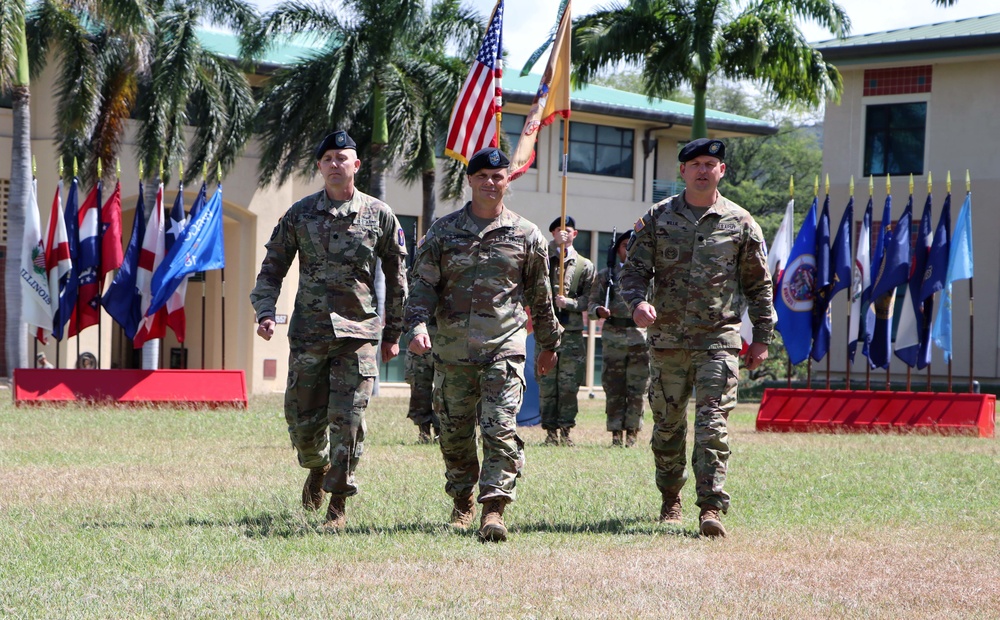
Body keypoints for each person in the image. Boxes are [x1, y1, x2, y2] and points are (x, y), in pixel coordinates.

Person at [250, 129, 408, 532]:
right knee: (303, 424)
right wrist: (265, 310)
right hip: (309, 333)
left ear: (357, 165)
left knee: (348, 419)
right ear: (319, 167)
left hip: (358, 335)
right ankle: (317, 467)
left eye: (344, 157)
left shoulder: (379, 215)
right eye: (329, 159)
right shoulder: (300, 215)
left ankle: (337, 504)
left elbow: (397, 274)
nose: (336, 164)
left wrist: (394, 333)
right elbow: (272, 268)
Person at [405, 147, 562, 543]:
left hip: (505, 346)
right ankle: (462, 500)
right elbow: (423, 286)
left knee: (500, 427)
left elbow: (540, 296)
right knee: (455, 433)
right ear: (471, 180)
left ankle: (493, 508)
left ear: (508, 181)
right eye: (483, 177)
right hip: (453, 350)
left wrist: (548, 343)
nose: (491, 183)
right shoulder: (443, 232)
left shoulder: (526, 235)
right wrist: (418, 325)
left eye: (499, 177)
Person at [619, 138, 773, 538]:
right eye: (696, 164)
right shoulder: (657, 218)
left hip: (718, 340)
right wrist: (636, 303)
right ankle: (671, 498)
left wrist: (762, 337)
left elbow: (759, 285)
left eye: (712, 164)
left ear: (722, 171)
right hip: (667, 341)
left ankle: (710, 508)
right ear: (683, 171)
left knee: (712, 426)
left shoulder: (741, 222)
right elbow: (633, 271)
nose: (704, 170)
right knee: (668, 427)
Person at [539, 216, 596, 447]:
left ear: (575, 234)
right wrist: (554, 246)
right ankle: (550, 433)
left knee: (568, 385)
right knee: (547, 383)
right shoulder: (545, 258)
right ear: (552, 234)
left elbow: (589, 299)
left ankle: (565, 432)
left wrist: (569, 303)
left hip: (571, 333)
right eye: (558, 231)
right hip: (547, 331)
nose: (563, 234)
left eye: (568, 230)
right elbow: (534, 262)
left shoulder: (585, 265)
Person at [589, 231, 649, 447]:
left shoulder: (647, 277)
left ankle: (632, 433)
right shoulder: (607, 275)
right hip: (614, 337)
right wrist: (598, 311)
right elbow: (591, 303)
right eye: (624, 245)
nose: (628, 250)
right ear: (617, 250)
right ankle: (616, 433)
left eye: (632, 246)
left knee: (637, 387)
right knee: (614, 387)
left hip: (639, 338)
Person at [404, 317, 439, 444]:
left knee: (445, 386)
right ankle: (424, 432)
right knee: (419, 385)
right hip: (420, 336)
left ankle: (440, 431)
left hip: (447, 335)